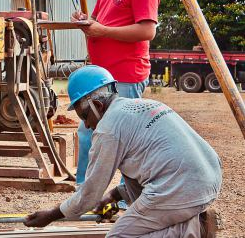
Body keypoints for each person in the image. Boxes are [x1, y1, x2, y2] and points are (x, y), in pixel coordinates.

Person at [24, 65, 222, 237]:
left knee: (119, 235)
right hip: (208, 178)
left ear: (98, 105)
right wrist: (115, 194)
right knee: (130, 175)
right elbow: (154, 163)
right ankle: (180, 219)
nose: (87, 124)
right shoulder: (145, 105)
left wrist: (50, 216)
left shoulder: (108, 129)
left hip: (184, 189)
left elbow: (89, 194)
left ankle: (194, 228)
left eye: (85, 116)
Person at [72, 0, 160, 184]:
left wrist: (103, 31)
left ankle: (124, 194)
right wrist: (86, 21)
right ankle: (83, 190)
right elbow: (98, 20)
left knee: (125, 137)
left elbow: (147, 31)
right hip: (102, 76)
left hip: (126, 74)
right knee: (87, 132)